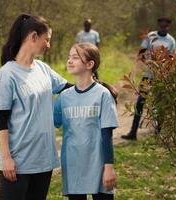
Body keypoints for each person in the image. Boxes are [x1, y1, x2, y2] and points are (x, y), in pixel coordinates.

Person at [0, 13, 71, 200]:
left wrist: (97, 86)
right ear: (34, 37)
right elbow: (1, 119)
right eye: (47, 39)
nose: (49, 45)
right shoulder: (7, 74)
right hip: (18, 162)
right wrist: (6, 159)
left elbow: (69, 90)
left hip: (43, 160)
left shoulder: (43, 69)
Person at [54, 42, 118, 200]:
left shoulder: (102, 95)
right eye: (69, 57)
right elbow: (49, 125)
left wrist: (109, 167)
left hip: (99, 165)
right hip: (73, 165)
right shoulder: (64, 97)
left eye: (75, 57)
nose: (69, 60)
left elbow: (107, 135)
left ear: (90, 64)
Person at [121, 16, 176, 140]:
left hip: (162, 77)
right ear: (158, 25)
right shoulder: (151, 36)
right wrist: (149, 61)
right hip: (148, 76)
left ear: (168, 26)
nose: (163, 27)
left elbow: (172, 59)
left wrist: (163, 64)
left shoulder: (171, 41)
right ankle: (133, 133)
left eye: (166, 25)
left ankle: (158, 133)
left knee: (160, 104)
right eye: (161, 25)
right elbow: (141, 53)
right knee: (141, 102)